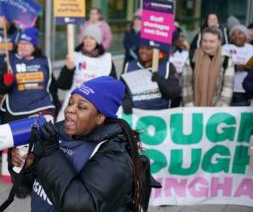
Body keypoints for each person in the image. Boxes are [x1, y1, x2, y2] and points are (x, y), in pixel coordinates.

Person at [9, 76, 151, 211]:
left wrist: (52, 153)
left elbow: (79, 206)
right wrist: (25, 167)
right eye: (70, 103)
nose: (70, 109)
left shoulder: (115, 156)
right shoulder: (57, 131)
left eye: (82, 107)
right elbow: (25, 188)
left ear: (100, 117)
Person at [0, 27, 59, 123]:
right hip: (16, 111)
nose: (23, 46)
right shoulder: (10, 61)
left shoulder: (43, 61)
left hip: (42, 108)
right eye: (21, 43)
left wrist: (56, 106)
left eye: (27, 43)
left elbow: (52, 88)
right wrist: (5, 83)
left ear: (34, 46)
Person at [56, 24, 116, 121]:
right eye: (86, 38)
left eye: (92, 38)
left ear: (98, 41)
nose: (88, 41)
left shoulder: (106, 59)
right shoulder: (74, 56)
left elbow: (112, 88)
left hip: (96, 105)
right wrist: (68, 69)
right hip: (73, 102)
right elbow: (62, 85)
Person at [182, 26, 235, 107]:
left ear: (219, 42)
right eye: (205, 41)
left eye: (212, 41)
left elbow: (227, 88)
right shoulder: (192, 57)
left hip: (216, 110)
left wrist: (217, 111)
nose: (207, 44)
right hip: (192, 109)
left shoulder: (226, 60)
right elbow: (186, 85)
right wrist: (190, 108)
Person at [121, 42, 180, 113]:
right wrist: (125, 99)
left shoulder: (167, 67)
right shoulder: (129, 66)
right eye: (141, 48)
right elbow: (121, 89)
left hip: (161, 116)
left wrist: (161, 81)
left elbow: (175, 93)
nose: (143, 51)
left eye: (149, 49)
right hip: (135, 117)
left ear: (156, 51)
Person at [223, 25, 253, 106]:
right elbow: (220, 66)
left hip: (245, 90)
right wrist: (235, 67)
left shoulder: (252, 49)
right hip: (226, 89)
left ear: (246, 36)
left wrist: (247, 67)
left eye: (240, 33)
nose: (237, 36)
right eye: (233, 34)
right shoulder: (225, 48)